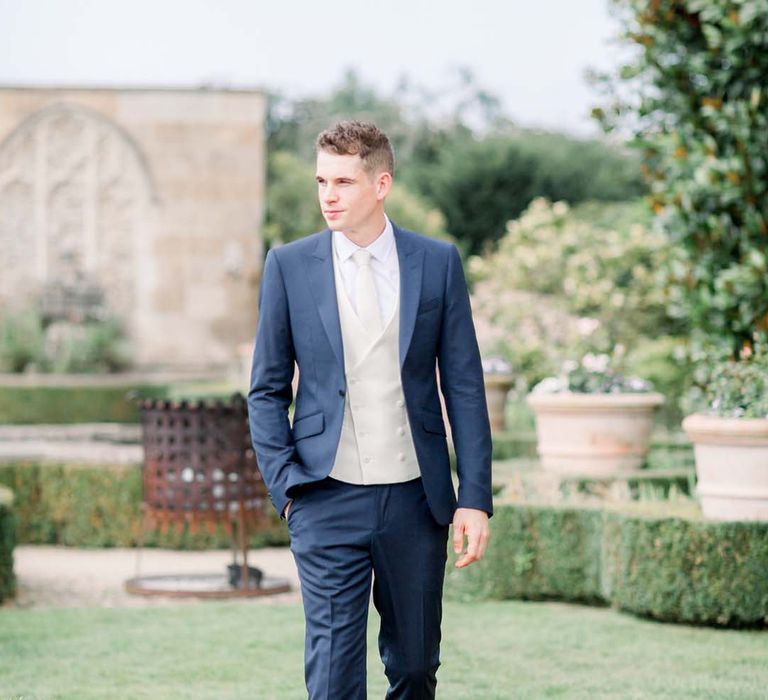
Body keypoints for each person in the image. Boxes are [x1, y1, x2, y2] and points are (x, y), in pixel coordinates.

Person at [247, 120, 492, 700]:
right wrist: (287, 488)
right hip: (323, 494)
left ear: (380, 184)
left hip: (415, 496)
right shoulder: (288, 265)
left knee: (413, 668)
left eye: (343, 182)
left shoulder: (437, 262)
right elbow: (266, 389)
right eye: (320, 181)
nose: (327, 196)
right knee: (333, 678)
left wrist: (475, 495)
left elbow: (464, 385)